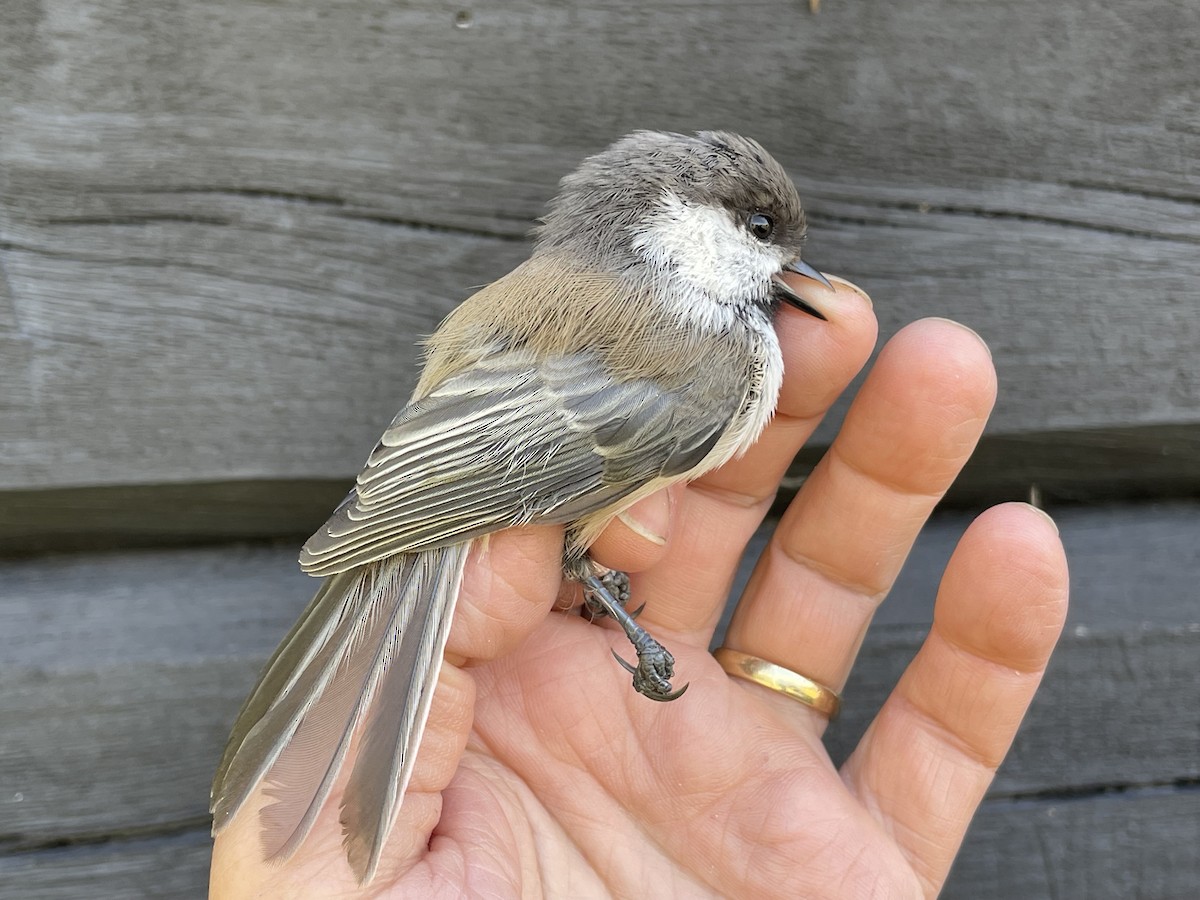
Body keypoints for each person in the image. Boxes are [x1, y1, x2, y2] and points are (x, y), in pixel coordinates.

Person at [210, 278, 1069, 897]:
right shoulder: (710, 362)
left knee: (607, 541)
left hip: (456, 453)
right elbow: (531, 466)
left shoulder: (669, 325)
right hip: (472, 480)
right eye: (766, 241)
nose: (788, 277)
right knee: (589, 544)